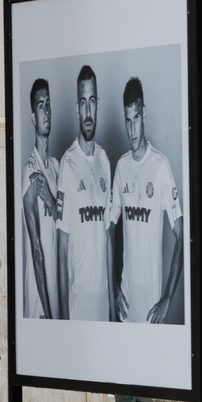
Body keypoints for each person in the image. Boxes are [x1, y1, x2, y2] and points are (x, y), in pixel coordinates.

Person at [113, 78, 184, 324]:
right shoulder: (121, 168)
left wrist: (167, 299)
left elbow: (182, 234)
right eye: (127, 120)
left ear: (144, 115)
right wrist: (113, 285)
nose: (132, 129)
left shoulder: (161, 166)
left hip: (152, 311)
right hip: (126, 308)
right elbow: (107, 228)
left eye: (136, 119)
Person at [56, 65, 119, 321]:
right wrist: (62, 320)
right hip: (78, 310)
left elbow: (108, 240)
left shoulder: (105, 161)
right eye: (83, 102)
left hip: (103, 308)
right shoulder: (67, 164)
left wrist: (113, 310)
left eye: (92, 101)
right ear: (76, 108)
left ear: (98, 105)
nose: (88, 111)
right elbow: (61, 250)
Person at [21, 78, 60, 319]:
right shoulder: (30, 171)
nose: (45, 111)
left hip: (55, 292)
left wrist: (50, 200)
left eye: (48, 104)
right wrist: (46, 312)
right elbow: (36, 247)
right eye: (40, 106)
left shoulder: (56, 168)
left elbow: (66, 222)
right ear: (34, 117)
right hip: (39, 301)